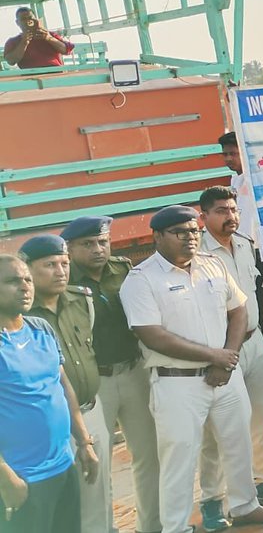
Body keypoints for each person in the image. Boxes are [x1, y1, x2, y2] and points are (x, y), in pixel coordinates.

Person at [118, 206, 263, 531]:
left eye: (194, 231)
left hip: (225, 376)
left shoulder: (212, 265)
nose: (190, 238)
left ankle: (245, 506)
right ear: (158, 237)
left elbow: (238, 311)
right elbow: (152, 335)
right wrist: (215, 356)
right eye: (180, 232)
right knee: (179, 459)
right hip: (176, 383)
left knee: (238, 444)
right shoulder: (141, 279)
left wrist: (228, 357)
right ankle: (175, 527)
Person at [61, 216, 161, 533]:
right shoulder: (64, 281)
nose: (97, 249)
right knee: (97, 462)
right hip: (94, 382)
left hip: (133, 371)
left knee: (149, 453)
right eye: (87, 244)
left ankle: (152, 525)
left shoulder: (124, 269)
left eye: (102, 242)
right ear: (71, 248)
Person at [0, 255, 99, 533]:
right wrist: (5, 478)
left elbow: (63, 387)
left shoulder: (40, 328)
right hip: (22, 477)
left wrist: (83, 442)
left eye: (27, 280)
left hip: (63, 466)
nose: (24, 287)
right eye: (11, 281)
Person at [18, 236, 111, 533]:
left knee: (99, 494)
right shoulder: (20, 317)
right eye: (49, 265)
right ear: (27, 269)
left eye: (64, 263)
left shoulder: (82, 299)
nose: (60, 271)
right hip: (50, 422)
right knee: (63, 505)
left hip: (91, 409)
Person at [197, 186, 263, 497]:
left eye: (233, 210)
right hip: (219, 348)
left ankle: (261, 477)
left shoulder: (244, 245)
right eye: (221, 211)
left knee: (260, 411)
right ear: (203, 217)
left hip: (254, 339)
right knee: (218, 426)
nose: (230, 216)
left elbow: (255, 294)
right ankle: (214, 495)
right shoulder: (196, 254)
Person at [216, 132, 260, 242]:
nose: (228, 158)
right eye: (225, 154)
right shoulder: (236, 179)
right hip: (243, 240)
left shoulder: (255, 178)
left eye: (233, 154)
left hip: (258, 242)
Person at [3, 7, 74, 69]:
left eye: (30, 18)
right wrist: (24, 42)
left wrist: (49, 38)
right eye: (23, 19)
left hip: (54, 71)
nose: (28, 21)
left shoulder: (50, 35)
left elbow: (66, 50)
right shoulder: (13, 41)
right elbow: (11, 61)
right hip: (30, 75)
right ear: (17, 23)